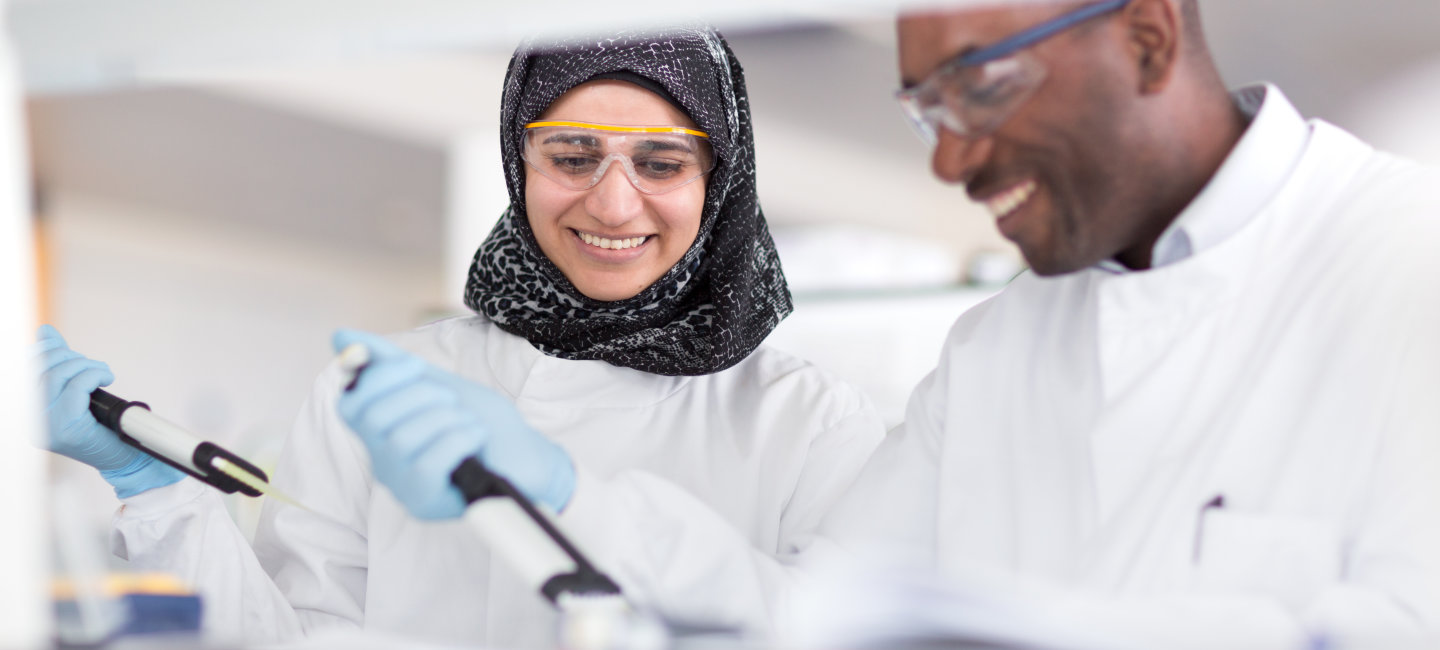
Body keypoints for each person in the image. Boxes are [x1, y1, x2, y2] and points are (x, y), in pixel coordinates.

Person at [365, 1, 1440, 646]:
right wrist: (572, 500)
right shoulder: (999, 348)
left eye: (977, 90)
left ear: (1150, 39)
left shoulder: (1404, 267)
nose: (949, 160)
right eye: (927, 110)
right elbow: (806, 611)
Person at [34, 25, 885, 647]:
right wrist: (157, 493)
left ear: (719, 180)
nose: (613, 204)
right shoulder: (386, 384)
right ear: (521, 164)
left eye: (661, 164)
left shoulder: (806, 420)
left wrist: (571, 501)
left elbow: (834, 633)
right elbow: (290, 640)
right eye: (572, 156)